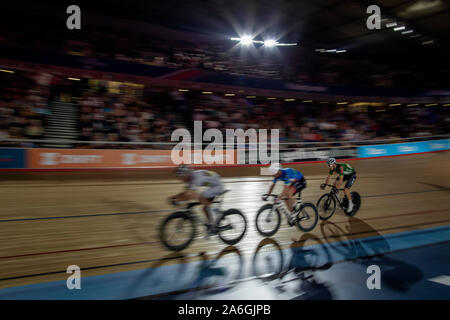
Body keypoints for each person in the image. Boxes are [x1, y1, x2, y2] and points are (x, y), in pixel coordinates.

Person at [168, 164, 225, 237]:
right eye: (180, 177)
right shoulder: (189, 178)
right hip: (213, 184)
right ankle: (212, 226)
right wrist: (173, 197)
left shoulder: (196, 178)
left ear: (187, 174)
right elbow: (185, 193)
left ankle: (215, 210)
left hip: (218, 186)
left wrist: (178, 200)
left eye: (182, 177)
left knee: (198, 196)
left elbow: (189, 195)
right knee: (204, 207)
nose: (181, 179)